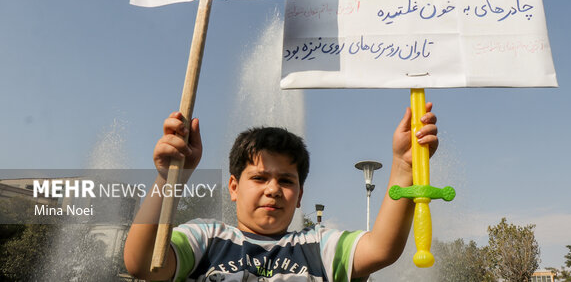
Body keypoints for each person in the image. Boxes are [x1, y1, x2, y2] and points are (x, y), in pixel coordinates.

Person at [124, 103, 438, 281]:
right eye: (259, 178)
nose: (273, 189)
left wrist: (403, 168)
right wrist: (169, 180)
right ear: (233, 187)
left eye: (286, 181)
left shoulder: (318, 245)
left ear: (300, 195)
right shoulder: (207, 238)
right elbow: (141, 263)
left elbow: (382, 248)